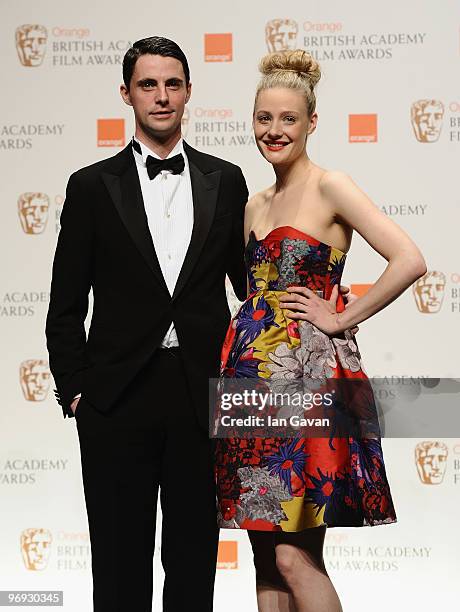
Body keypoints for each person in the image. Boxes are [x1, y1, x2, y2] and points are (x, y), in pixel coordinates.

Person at [214, 49, 426, 612]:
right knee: (264, 556)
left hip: (309, 380)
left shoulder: (333, 185)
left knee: (295, 556)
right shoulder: (252, 203)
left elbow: (408, 258)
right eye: (264, 118)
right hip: (249, 382)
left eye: (288, 118)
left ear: (311, 122)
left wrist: (341, 317)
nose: (274, 130)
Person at [45, 36, 251, 611]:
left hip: (199, 396)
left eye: (173, 84)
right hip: (115, 399)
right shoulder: (90, 186)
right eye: (148, 85)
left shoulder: (226, 180)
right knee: (118, 562)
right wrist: (78, 393)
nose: (161, 97)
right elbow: (65, 304)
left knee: (192, 559)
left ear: (188, 93)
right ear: (126, 94)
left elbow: (248, 291)